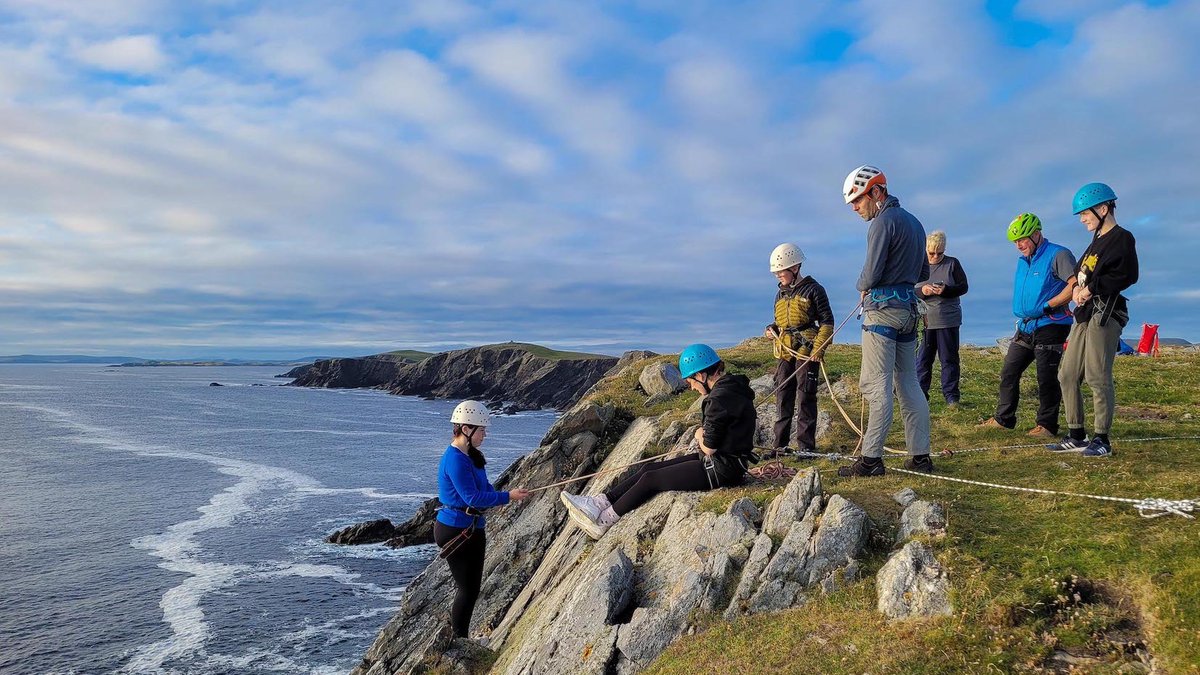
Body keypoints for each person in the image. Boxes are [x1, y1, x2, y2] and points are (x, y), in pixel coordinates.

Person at [560, 344, 757, 539]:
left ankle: (603, 521)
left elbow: (708, 448)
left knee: (651, 480)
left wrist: (698, 435)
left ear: (701, 375)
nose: (690, 386)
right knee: (648, 469)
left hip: (721, 470)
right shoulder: (733, 388)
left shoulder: (718, 399)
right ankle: (600, 502)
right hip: (727, 463)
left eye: (690, 380)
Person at [838, 165, 933, 477]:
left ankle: (871, 459)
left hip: (882, 312)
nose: (854, 207)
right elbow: (923, 274)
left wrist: (862, 286)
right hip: (909, 312)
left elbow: (872, 272)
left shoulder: (881, 223)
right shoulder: (916, 224)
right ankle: (920, 456)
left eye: (858, 200)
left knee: (875, 384)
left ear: (876, 192)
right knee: (909, 383)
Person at [1049, 183, 1139, 456]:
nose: (1082, 219)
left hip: (1106, 312)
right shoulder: (1095, 241)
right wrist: (1076, 287)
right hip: (1084, 314)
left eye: (1085, 213)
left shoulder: (1122, 237)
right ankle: (1077, 434)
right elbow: (1080, 271)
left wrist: (1092, 288)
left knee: (1097, 375)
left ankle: (1102, 439)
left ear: (1103, 209)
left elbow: (1128, 275)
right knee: (1066, 373)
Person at [434, 400, 531, 638]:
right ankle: (459, 640)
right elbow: (473, 498)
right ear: (466, 429)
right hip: (457, 529)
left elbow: (485, 488)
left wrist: (504, 496)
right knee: (467, 589)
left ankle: (461, 638)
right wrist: (508, 496)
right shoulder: (456, 460)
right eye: (482, 430)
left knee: (471, 589)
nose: (485, 434)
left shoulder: (472, 456)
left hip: (470, 527)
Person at [979, 213, 1077, 438]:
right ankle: (1004, 419)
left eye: (1022, 239)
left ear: (1036, 234)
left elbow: (1074, 286)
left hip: (1051, 324)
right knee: (1009, 371)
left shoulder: (1058, 254)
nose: (1018, 245)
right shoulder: (1024, 261)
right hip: (1026, 326)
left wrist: (1049, 306)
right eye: (1015, 241)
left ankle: (1047, 425)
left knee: (1046, 377)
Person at [764, 243, 835, 456]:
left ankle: (805, 447)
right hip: (785, 350)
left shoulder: (814, 290)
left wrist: (818, 349)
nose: (778, 275)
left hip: (807, 351)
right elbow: (781, 323)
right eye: (776, 272)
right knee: (783, 396)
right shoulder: (780, 294)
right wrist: (771, 329)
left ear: (794, 268)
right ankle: (780, 446)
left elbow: (827, 322)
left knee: (805, 397)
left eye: (781, 271)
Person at [915, 230, 969, 406]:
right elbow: (909, 290)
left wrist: (945, 290)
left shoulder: (953, 264)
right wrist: (922, 291)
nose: (936, 256)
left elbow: (963, 287)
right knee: (923, 360)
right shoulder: (917, 265)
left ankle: (951, 397)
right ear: (926, 250)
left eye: (940, 253)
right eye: (931, 253)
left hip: (948, 320)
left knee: (949, 359)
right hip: (925, 322)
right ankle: (921, 395)